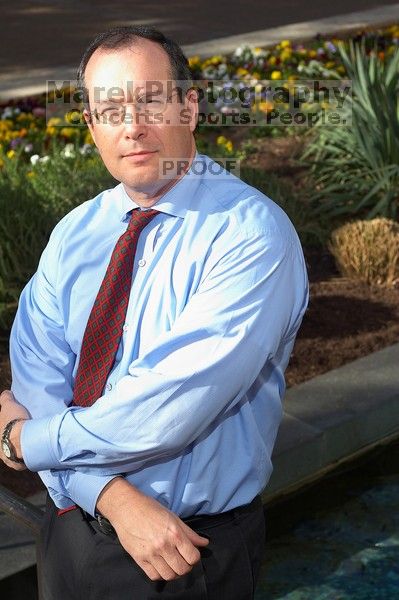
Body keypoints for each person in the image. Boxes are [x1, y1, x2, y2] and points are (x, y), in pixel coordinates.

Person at [0, 25, 308, 599]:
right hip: (69, 531)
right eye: (110, 109)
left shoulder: (249, 237)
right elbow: (36, 373)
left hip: (182, 551)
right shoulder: (76, 232)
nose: (133, 126)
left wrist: (26, 442)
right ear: (91, 127)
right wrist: (109, 496)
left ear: (190, 107)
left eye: (150, 100)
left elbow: (166, 409)